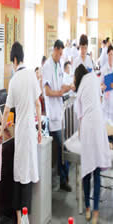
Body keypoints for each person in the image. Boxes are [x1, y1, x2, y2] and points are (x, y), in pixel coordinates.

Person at [0, 42, 43, 224]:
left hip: (20, 133)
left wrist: (1, 131)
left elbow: (7, 109)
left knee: (19, 177)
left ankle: (19, 222)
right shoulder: (32, 75)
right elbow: (38, 105)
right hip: (30, 132)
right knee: (27, 178)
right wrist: (39, 129)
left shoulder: (14, 80)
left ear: (15, 60)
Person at [73, 65, 111, 224]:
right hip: (99, 124)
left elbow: (78, 112)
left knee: (87, 170)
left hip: (88, 126)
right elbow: (99, 100)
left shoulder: (81, 86)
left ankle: (87, 208)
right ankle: (95, 211)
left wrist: (80, 132)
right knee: (96, 171)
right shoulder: (94, 79)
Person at [42, 39, 72, 191]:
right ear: (54, 50)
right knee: (63, 148)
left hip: (59, 112)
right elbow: (47, 91)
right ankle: (64, 178)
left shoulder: (58, 65)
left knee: (62, 149)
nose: (61, 56)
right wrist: (59, 93)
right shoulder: (47, 66)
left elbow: (60, 86)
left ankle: (62, 179)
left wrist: (69, 87)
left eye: (62, 54)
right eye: (59, 53)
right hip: (52, 114)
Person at [101, 45, 113, 127]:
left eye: (112, 54)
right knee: (105, 125)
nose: (110, 56)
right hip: (106, 99)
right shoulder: (104, 69)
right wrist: (103, 87)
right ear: (107, 55)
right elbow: (100, 84)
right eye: (109, 54)